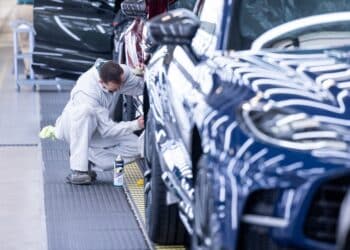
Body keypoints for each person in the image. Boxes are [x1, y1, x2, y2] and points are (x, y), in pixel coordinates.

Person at [41, 59, 144, 185]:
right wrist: (135, 125)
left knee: (138, 147)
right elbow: (107, 130)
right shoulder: (87, 93)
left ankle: (89, 158)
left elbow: (139, 86)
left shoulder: (121, 72)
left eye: (121, 85)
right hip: (75, 127)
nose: (119, 90)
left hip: (98, 126)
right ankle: (79, 170)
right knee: (85, 112)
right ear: (101, 82)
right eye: (113, 90)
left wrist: (145, 75)